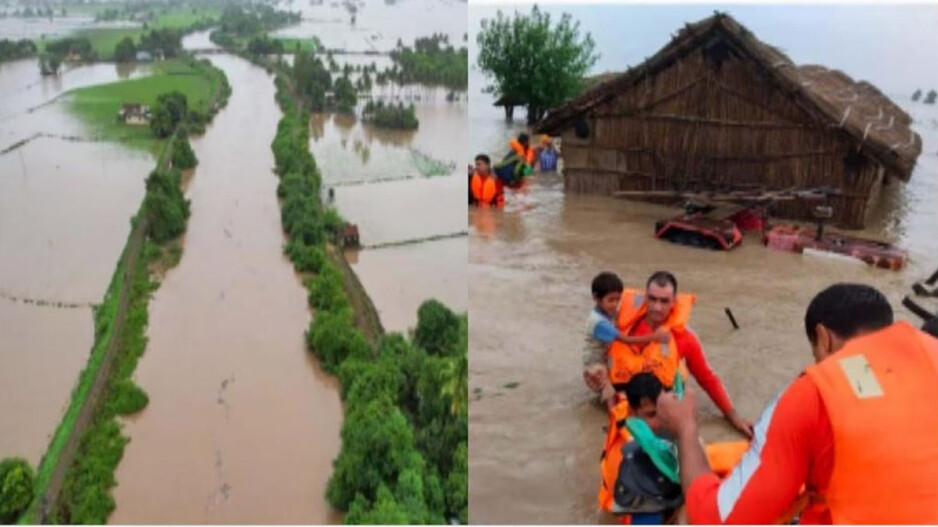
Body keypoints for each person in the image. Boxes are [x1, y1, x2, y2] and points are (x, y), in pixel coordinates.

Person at [656, 283, 938, 524]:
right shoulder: (929, 350)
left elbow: (716, 519)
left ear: (823, 338)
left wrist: (685, 427)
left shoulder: (814, 392)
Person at [608, 271, 753, 439]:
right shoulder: (620, 324)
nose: (657, 307)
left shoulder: (685, 339)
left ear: (674, 302)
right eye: (653, 299)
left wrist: (735, 419)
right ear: (645, 297)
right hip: (620, 402)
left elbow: (708, 379)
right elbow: (599, 355)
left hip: (658, 411)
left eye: (664, 301)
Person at [584, 272, 670, 409]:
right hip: (595, 365)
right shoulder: (599, 322)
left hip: (603, 358)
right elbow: (627, 340)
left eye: (618, 299)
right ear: (596, 298)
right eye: (610, 300)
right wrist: (655, 337)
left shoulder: (607, 312)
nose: (615, 304)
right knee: (609, 393)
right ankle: (615, 420)